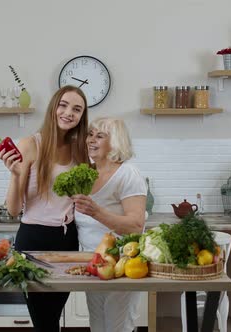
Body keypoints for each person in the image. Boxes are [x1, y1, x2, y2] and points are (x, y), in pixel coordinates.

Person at [0, 85, 89, 332]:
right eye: (64, 105)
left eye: (77, 109)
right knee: (44, 321)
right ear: (53, 107)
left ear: (82, 117)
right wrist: (16, 176)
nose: (69, 112)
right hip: (32, 239)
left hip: (67, 239)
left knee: (54, 314)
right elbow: (14, 209)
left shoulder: (79, 150)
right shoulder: (30, 145)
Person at [72, 117, 147, 332]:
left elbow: (135, 225)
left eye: (99, 135)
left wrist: (96, 211)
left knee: (117, 327)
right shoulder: (88, 173)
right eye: (90, 134)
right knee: (97, 327)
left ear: (115, 142)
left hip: (121, 265)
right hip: (93, 263)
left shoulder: (127, 174)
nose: (91, 140)